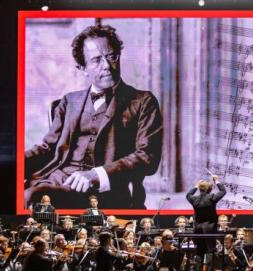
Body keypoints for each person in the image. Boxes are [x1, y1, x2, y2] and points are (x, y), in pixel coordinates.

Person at [24, 24, 164, 210]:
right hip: (56, 178)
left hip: (106, 188)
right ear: (82, 67)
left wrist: (97, 175)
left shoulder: (143, 101)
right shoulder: (69, 101)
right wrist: (13, 164)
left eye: (111, 57)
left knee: (33, 196)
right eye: (96, 60)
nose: (106, 66)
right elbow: (48, 147)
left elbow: (147, 157)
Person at [186, 174, 226, 271]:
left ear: (200, 189)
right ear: (209, 189)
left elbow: (188, 194)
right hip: (209, 230)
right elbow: (223, 191)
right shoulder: (212, 198)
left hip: (198, 230)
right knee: (210, 252)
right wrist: (217, 181)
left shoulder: (195, 199)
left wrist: (195, 186)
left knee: (199, 252)